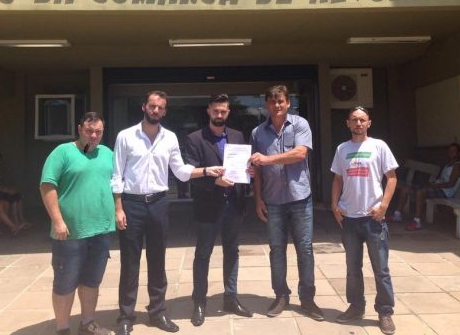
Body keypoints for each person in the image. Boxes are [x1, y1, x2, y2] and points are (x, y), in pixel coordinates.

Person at [111, 90, 223, 335]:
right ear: (144, 107)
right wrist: (118, 208)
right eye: (152, 106)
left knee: (158, 260)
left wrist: (206, 171)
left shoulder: (170, 138)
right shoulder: (125, 136)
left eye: (160, 107)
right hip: (131, 204)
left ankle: (157, 312)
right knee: (130, 262)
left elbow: (181, 172)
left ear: (165, 111)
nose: (156, 110)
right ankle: (126, 316)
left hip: (159, 204)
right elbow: (117, 175)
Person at [249, 85, 324, 321]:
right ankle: (281, 295)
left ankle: (307, 298)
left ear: (288, 103)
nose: (277, 105)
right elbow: (256, 170)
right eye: (272, 101)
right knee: (276, 250)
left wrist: (267, 159)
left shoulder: (300, 124)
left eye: (281, 101)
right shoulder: (257, 133)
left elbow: (300, 154)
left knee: (305, 249)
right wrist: (258, 198)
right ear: (267, 105)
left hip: (300, 198)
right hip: (272, 200)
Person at [40, 112, 115, 335]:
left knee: (92, 281)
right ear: (79, 129)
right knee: (65, 283)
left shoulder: (107, 153)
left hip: (101, 230)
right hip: (70, 233)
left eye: (98, 132)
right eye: (89, 131)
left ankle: (88, 323)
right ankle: (63, 329)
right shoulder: (62, 152)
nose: (93, 136)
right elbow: (47, 186)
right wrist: (57, 220)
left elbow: (117, 184)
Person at [185, 93, 252, 327]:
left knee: (232, 252)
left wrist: (249, 172)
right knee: (203, 254)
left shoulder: (237, 136)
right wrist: (215, 181)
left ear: (228, 112)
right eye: (216, 111)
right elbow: (190, 173)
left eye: (223, 111)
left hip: (233, 204)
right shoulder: (195, 139)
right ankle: (199, 302)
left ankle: (230, 297)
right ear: (209, 111)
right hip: (208, 206)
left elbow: (243, 167)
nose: (219, 114)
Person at [330, 106, 398, 335]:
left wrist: (384, 205)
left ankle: (385, 312)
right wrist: (334, 205)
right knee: (352, 269)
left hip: (373, 218)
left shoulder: (379, 146)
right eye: (354, 120)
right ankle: (356, 307)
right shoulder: (342, 149)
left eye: (362, 120)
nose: (358, 123)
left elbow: (391, 178)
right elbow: (337, 179)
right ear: (347, 123)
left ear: (369, 123)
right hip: (349, 218)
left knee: (381, 269)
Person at [392, 143, 460, 231]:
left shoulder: (457, 166)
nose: (451, 153)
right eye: (450, 151)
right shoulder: (448, 165)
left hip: (446, 192)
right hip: (439, 188)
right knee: (406, 189)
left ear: (458, 153)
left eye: (454, 151)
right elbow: (442, 180)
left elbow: (451, 184)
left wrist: (435, 185)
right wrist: (431, 184)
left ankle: (417, 221)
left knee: (420, 192)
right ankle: (397, 214)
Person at [0, 150, 29, 228]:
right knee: (13, 196)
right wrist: (7, 190)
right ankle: (16, 221)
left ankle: (21, 219)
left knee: (17, 195)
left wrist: (8, 189)